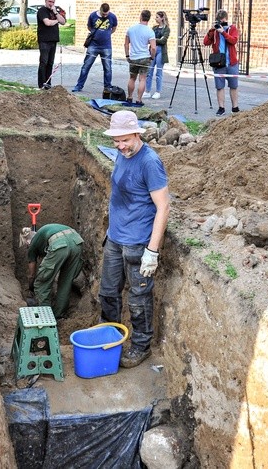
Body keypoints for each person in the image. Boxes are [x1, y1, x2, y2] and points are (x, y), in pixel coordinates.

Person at [99, 110, 170, 368]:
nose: (120, 146)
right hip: (115, 238)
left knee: (138, 298)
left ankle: (141, 346)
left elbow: (163, 207)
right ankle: (109, 336)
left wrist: (152, 250)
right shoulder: (121, 153)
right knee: (108, 292)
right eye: (116, 141)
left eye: (125, 140)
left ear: (137, 134)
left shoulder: (149, 162)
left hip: (138, 242)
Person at [20, 224, 83, 318]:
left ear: (28, 242)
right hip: (77, 242)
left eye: (26, 245)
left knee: (41, 284)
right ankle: (59, 315)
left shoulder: (32, 244)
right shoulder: (45, 233)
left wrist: (31, 286)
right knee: (66, 282)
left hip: (59, 244)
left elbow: (32, 274)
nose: (27, 247)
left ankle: (46, 317)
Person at [72, 3, 118, 93]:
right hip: (93, 45)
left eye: (106, 14)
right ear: (100, 10)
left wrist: (107, 34)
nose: (105, 15)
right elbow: (89, 27)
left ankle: (107, 86)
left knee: (108, 68)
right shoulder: (93, 15)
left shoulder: (112, 17)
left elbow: (114, 28)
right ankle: (79, 85)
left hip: (106, 46)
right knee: (86, 66)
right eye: (103, 14)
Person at [203, 9, 240, 116]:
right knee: (220, 87)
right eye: (219, 21)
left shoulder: (232, 28)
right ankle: (221, 108)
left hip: (231, 62)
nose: (221, 23)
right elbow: (206, 42)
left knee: (233, 86)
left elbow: (233, 41)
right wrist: (212, 30)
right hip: (219, 63)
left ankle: (235, 107)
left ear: (226, 19)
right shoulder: (214, 31)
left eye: (222, 21)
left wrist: (223, 32)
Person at [124, 10, 157, 106]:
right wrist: (152, 57)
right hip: (145, 57)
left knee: (132, 78)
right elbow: (153, 47)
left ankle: (129, 97)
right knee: (142, 79)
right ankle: (138, 99)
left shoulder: (131, 29)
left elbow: (126, 44)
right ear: (149, 18)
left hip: (133, 57)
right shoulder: (150, 31)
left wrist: (127, 55)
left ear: (141, 17)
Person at [36, 0, 66, 89]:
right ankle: (41, 84)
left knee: (50, 63)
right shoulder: (42, 11)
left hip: (53, 40)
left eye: (53, 2)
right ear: (46, 1)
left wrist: (56, 14)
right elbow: (47, 23)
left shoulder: (55, 11)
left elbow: (63, 21)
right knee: (43, 62)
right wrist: (57, 21)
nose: (51, 4)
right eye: (49, 1)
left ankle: (48, 83)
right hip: (44, 40)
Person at [146, 11, 170, 99]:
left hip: (161, 50)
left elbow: (163, 40)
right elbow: (149, 38)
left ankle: (157, 91)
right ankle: (147, 90)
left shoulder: (166, 28)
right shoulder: (154, 28)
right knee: (149, 71)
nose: (155, 19)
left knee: (159, 72)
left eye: (157, 17)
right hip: (153, 49)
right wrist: (155, 40)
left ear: (162, 18)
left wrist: (154, 40)